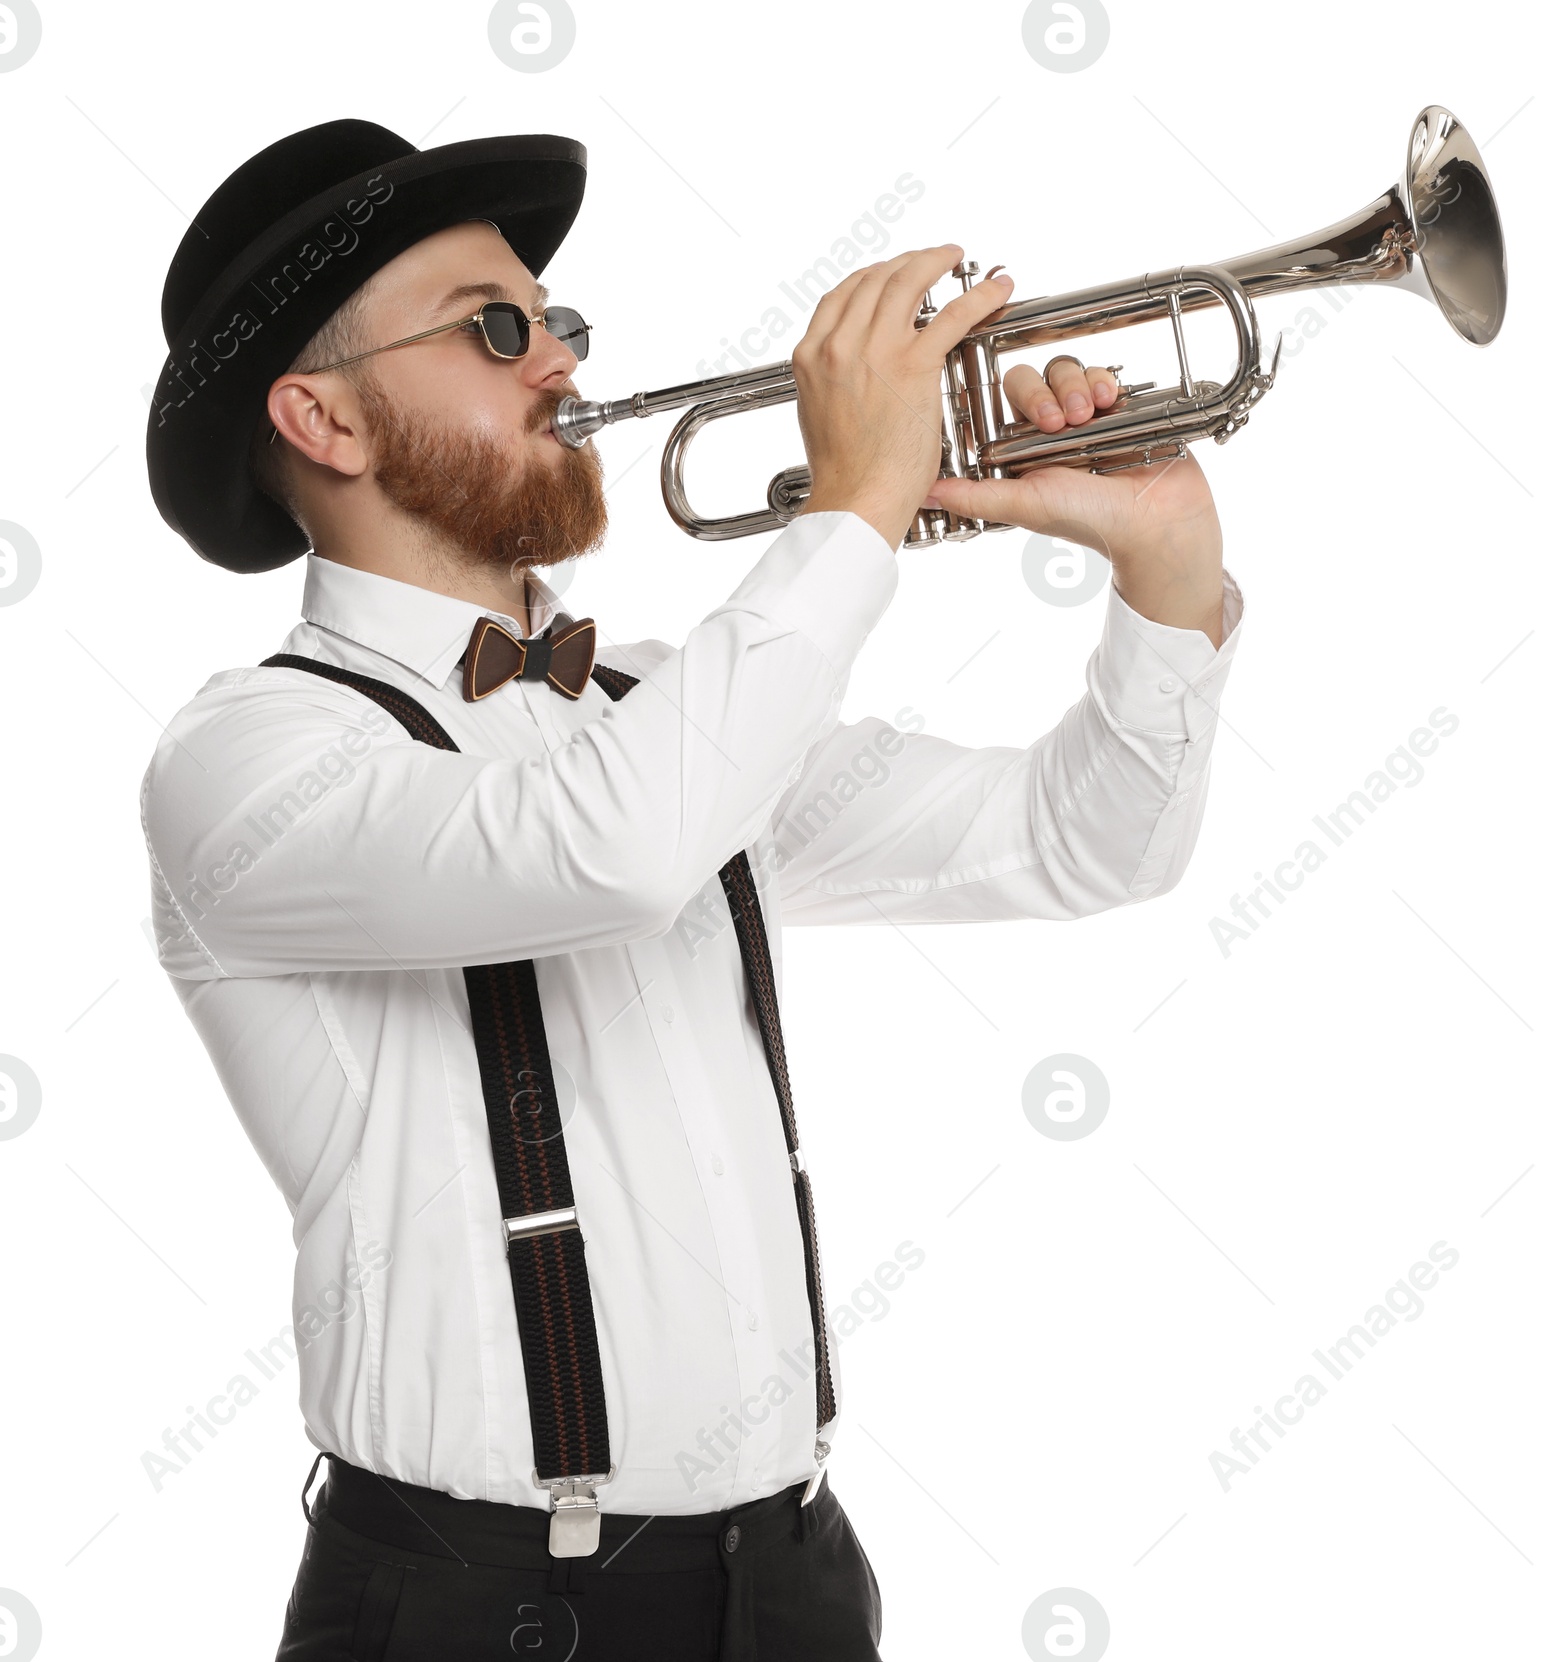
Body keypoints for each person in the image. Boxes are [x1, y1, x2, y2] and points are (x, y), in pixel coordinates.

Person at [141, 118, 1244, 1662]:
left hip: (795, 1580)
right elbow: (605, 847)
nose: (564, 368)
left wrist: (1166, 570)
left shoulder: (663, 715)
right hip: (478, 1610)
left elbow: (1090, 842)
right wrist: (852, 507)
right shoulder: (250, 760)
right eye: (499, 328)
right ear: (322, 418)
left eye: (561, 325)